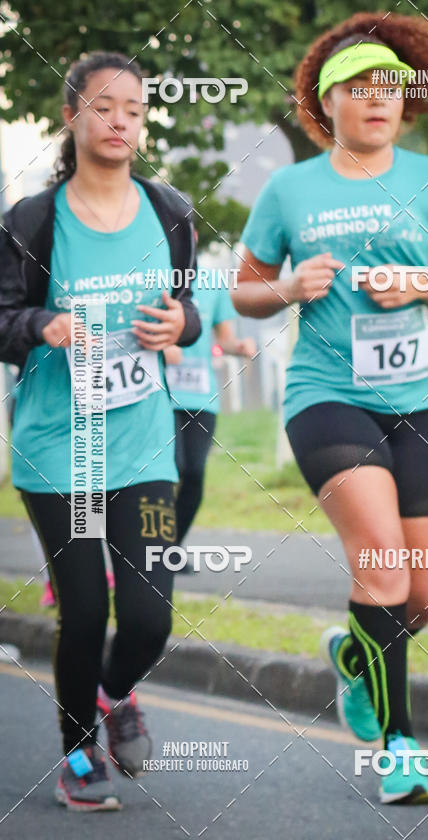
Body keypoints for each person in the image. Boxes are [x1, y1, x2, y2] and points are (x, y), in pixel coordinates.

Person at [232, 12, 428, 805]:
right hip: (328, 396)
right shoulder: (290, 189)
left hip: (423, 400)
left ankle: (353, 657)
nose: (378, 99)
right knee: (380, 561)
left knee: (422, 596)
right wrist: (288, 287)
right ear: (327, 101)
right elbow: (245, 291)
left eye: (390, 87)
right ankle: (399, 747)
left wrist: (422, 283)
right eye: (359, 87)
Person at [0, 52, 201, 811]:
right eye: (104, 107)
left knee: (149, 618)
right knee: (84, 610)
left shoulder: (170, 211)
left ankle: (112, 695)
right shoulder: (32, 221)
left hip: (144, 446)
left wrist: (181, 324)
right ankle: (78, 753)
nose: (120, 121)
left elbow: (188, 309)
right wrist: (40, 324)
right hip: (62, 450)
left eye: (134, 111)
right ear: (71, 116)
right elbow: (1, 318)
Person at [164, 271, 256, 547]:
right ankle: (151, 547)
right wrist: (161, 348)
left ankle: (169, 548)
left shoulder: (212, 281)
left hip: (201, 397)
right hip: (161, 396)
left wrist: (239, 346)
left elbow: (223, 338)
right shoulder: (152, 272)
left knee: (194, 473)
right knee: (172, 468)